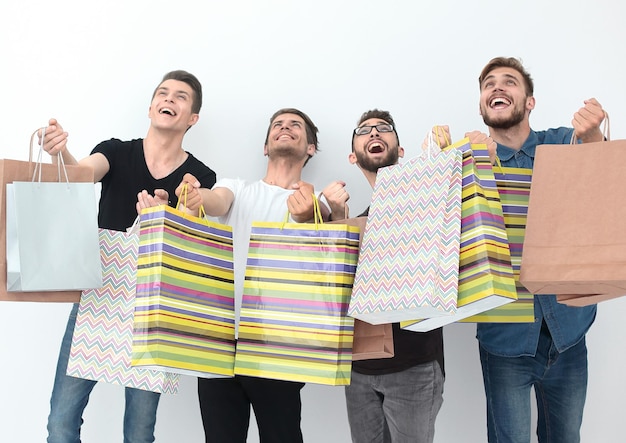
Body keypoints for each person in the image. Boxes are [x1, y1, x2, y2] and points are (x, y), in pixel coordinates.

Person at [39, 70, 217, 443]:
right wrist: (61, 154)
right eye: (163, 93)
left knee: (140, 432)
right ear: (151, 106)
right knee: (60, 420)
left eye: (181, 97)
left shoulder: (198, 176)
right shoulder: (117, 151)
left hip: (155, 309)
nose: (169, 99)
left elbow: (194, 240)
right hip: (98, 297)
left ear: (192, 118)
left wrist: (167, 217)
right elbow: (82, 174)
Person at [470, 56, 605, 443]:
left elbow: (602, 181)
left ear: (529, 102)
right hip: (505, 340)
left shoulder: (562, 144)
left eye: (509, 82)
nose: (497, 87)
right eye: (488, 84)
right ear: (482, 105)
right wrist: (465, 165)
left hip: (568, 334)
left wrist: (594, 134)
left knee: (565, 437)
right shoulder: (468, 161)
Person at [178, 108, 323, 443]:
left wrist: (310, 213)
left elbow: (322, 247)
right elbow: (216, 201)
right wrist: (199, 196)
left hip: (278, 345)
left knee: (282, 437)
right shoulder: (236, 188)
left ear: (310, 148)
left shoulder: (318, 202)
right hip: (219, 340)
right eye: (278, 125)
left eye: (295, 125)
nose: (285, 128)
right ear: (265, 146)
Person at [322, 109, 445, 443]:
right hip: (359, 369)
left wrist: (443, 160)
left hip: (414, 367)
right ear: (353, 155)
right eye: (364, 130)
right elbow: (336, 291)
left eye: (384, 129)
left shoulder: (428, 199)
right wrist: (334, 219)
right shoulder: (357, 222)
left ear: (400, 150)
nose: (374, 133)